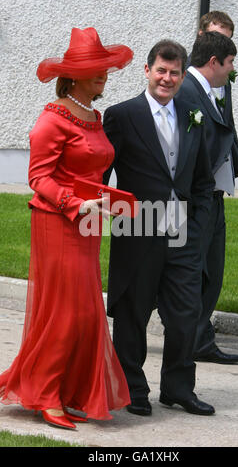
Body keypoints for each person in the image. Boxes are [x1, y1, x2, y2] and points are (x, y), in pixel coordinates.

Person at [0, 27, 133, 430]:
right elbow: (38, 177)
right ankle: (45, 393)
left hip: (88, 222)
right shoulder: (52, 117)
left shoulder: (93, 116)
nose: (103, 76)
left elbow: (89, 168)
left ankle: (68, 391)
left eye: (105, 69)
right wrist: (76, 203)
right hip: (57, 222)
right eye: (94, 70)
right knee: (66, 312)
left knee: (87, 312)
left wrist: (106, 198)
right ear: (73, 75)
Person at [103, 39, 216, 417]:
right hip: (137, 228)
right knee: (134, 312)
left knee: (186, 313)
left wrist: (197, 225)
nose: (166, 78)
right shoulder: (122, 115)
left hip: (182, 230)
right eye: (161, 71)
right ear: (147, 70)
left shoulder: (191, 113)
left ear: (183, 76)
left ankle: (178, 388)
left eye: (174, 73)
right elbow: (101, 175)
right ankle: (132, 387)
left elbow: (202, 177)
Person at [177, 30, 238, 365]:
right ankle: (186, 340)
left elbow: (227, 128)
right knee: (191, 272)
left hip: (215, 192)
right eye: (230, 62)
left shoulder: (216, 89)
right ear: (214, 61)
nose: (232, 69)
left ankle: (198, 338)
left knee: (213, 270)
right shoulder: (186, 90)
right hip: (195, 198)